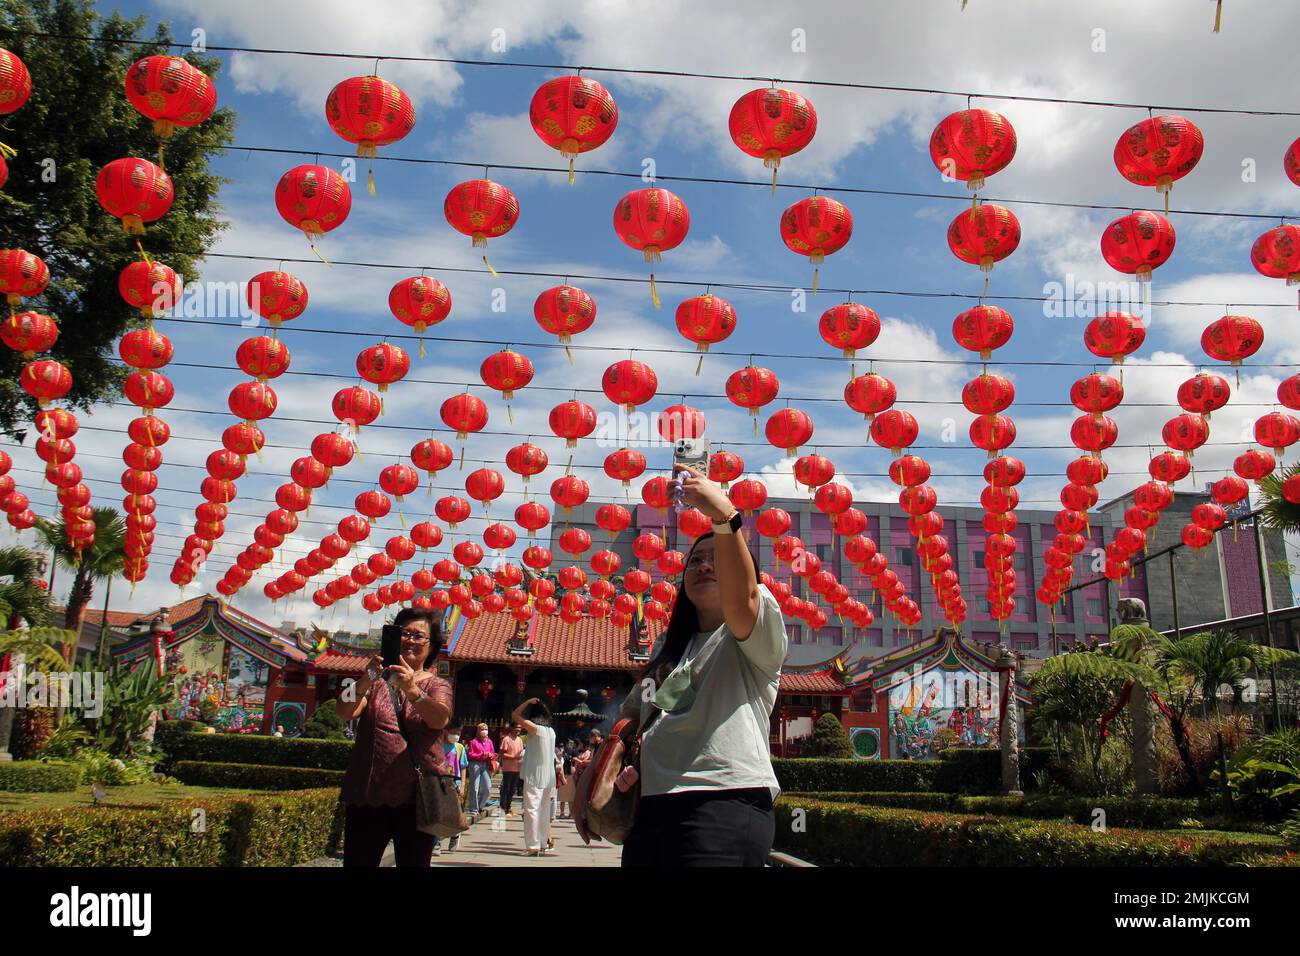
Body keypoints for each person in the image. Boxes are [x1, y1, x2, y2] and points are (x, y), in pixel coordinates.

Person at [605, 463, 787, 867]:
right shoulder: (668, 650)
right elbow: (635, 712)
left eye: (716, 559)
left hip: (723, 802)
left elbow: (744, 603)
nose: (705, 565)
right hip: (650, 806)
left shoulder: (754, 632)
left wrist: (724, 515)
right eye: (695, 561)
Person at [336, 607, 452, 868]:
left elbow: (439, 719)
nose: (410, 640)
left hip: (416, 798)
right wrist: (366, 679)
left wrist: (411, 689)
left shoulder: (437, 685)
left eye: (419, 636)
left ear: (431, 645)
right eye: (405, 633)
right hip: (368, 793)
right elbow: (343, 710)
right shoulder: (374, 680)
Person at [511, 697, 556, 856]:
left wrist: (527, 702)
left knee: (531, 809)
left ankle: (533, 845)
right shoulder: (551, 731)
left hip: (534, 774)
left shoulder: (534, 728)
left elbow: (515, 715)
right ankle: (543, 842)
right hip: (548, 776)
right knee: (543, 810)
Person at [433, 721, 467, 856]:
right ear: (445, 731)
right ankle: (436, 844)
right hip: (439, 783)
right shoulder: (438, 745)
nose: (456, 736)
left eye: (458, 733)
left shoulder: (459, 748)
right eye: (453, 733)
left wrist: (463, 785)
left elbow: (463, 767)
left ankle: (455, 835)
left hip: (455, 785)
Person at [465, 721, 496, 816]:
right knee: (474, 787)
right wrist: (480, 755)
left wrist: (490, 755)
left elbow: (493, 753)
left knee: (487, 787)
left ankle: (480, 806)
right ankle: (473, 808)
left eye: (486, 729)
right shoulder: (473, 742)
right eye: (482, 729)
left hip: (486, 764)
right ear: (478, 730)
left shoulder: (489, 741)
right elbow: (470, 754)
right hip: (475, 764)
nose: (484, 731)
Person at [498, 722, 524, 816]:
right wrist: (512, 756)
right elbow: (501, 754)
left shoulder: (520, 740)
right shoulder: (506, 739)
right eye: (517, 727)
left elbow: (521, 753)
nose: (519, 730)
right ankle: (502, 808)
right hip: (508, 768)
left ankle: (508, 807)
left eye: (520, 728)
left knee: (513, 789)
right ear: (512, 728)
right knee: (506, 788)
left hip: (517, 768)